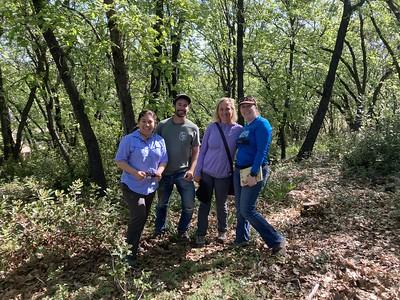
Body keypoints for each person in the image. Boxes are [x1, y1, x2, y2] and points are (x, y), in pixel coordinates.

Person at [233, 96, 286, 255]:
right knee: (240, 208)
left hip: (253, 170)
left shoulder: (262, 124)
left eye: (249, 106)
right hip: (239, 171)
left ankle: (276, 240)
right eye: (242, 106)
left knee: (247, 209)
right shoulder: (245, 127)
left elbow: (262, 151)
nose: (245, 109)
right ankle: (241, 239)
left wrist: (254, 173)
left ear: (255, 107)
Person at [115, 110, 168, 266]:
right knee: (139, 213)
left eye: (150, 122)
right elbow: (120, 161)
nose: (147, 124)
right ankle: (128, 254)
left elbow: (164, 160)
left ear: (155, 124)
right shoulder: (129, 140)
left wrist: (160, 171)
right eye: (144, 121)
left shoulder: (159, 141)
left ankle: (132, 246)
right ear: (139, 122)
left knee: (142, 218)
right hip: (131, 184)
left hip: (150, 187)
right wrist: (134, 172)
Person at [193, 97, 243, 246]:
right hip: (207, 173)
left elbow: (246, 149)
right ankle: (201, 234)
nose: (224, 112)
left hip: (224, 175)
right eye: (221, 109)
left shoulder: (239, 130)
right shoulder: (212, 128)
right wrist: (198, 171)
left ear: (232, 110)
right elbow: (202, 151)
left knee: (221, 204)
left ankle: (222, 231)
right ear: (217, 111)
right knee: (204, 204)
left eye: (227, 108)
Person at [154, 94, 200, 240]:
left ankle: (182, 231)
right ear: (175, 106)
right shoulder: (162, 125)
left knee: (188, 205)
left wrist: (192, 170)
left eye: (185, 105)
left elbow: (196, 151)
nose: (182, 108)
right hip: (164, 172)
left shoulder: (192, 128)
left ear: (188, 108)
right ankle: (160, 231)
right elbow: (153, 146)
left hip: (183, 172)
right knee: (162, 204)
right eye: (179, 104)